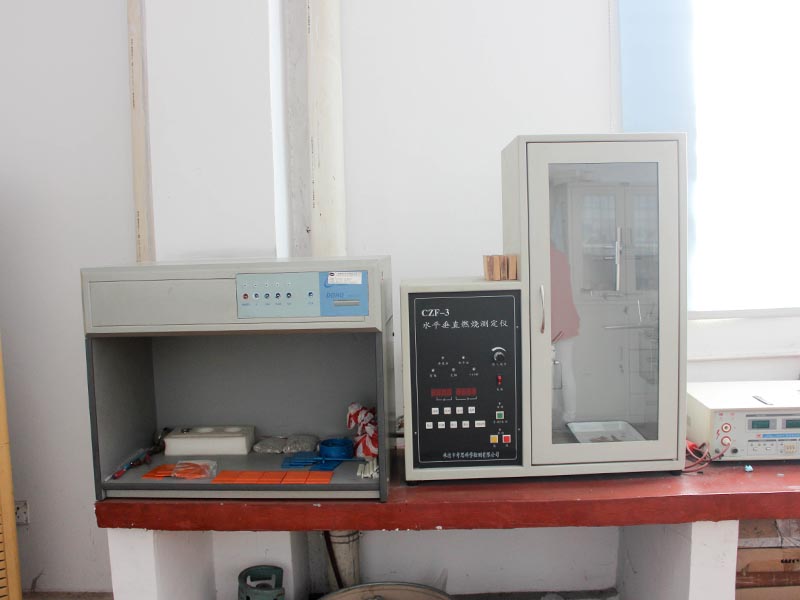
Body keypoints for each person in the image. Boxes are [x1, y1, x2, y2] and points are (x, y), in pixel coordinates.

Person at [550, 243, 580, 429]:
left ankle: (546, 415)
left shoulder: (539, 258)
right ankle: (570, 416)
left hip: (549, 322)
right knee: (566, 370)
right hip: (567, 320)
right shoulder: (561, 257)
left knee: (546, 372)